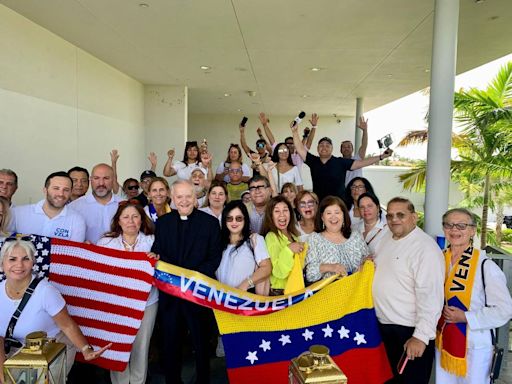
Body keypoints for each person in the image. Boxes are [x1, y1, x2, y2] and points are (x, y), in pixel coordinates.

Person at [0, 239, 111, 382]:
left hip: (50, 349)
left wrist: (86, 350)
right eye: (12, 259)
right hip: (15, 351)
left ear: (33, 263)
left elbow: (67, 325)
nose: (19, 264)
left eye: (26, 258)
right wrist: (3, 372)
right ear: (2, 264)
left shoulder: (46, 292)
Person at [151, 180, 222, 383]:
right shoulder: (163, 223)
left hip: (198, 293)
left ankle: (203, 380)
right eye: (179, 197)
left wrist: (192, 280)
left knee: (201, 343)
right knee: (171, 342)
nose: (184, 201)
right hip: (171, 295)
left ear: (195, 198)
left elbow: (214, 256)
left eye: (188, 196)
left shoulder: (209, 223)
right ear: (172, 199)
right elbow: (159, 252)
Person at [435, 208, 512, 384]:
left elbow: (505, 310)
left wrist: (466, 317)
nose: (454, 230)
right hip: (444, 342)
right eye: (449, 225)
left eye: (461, 226)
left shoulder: (485, 266)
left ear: (472, 230)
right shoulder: (438, 259)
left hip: (474, 346)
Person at [373, 197, 445, 384]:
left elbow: (430, 297)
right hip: (383, 328)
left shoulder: (425, 249)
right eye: (389, 215)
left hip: (409, 332)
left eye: (400, 215)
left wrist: (420, 337)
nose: (394, 219)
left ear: (414, 217)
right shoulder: (385, 238)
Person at [97, 201, 158, 384]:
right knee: (117, 346)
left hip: (146, 302)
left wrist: (157, 258)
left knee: (141, 345)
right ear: (118, 221)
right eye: (126, 217)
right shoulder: (105, 242)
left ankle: (138, 381)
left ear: (142, 219)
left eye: (135, 216)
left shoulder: (152, 241)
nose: (131, 221)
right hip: (116, 304)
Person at [290, 118, 392, 202]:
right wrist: (295, 132)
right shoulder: (313, 161)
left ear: (332, 149)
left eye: (327, 145)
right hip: (320, 204)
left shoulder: (340, 162)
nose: (324, 147)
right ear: (317, 149)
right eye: (321, 145)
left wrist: (381, 157)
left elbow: (361, 163)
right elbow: (300, 148)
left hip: (339, 205)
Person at [305, 196, 369, 284]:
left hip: (358, 291)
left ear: (343, 215)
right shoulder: (314, 239)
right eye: (328, 213)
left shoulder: (355, 235)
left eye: (337, 212)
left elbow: (367, 260)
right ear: (322, 217)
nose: (333, 217)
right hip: (331, 294)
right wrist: (330, 267)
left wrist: (364, 264)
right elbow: (310, 275)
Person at [13, 172, 86, 242]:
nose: (61, 194)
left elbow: (73, 252)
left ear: (70, 193)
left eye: (66, 190)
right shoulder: (18, 213)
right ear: (45, 190)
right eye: (56, 188)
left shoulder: (77, 220)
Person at [217, 200, 271, 293]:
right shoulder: (218, 242)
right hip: (220, 301)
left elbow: (266, 268)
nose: (234, 222)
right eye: (229, 218)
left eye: (239, 218)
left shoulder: (254, 239)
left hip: (244, 300)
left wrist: (245, 284)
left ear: (245, 219)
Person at [69, 163, 122, 243]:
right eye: (96, 178)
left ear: (113, 180)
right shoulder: (74, 207)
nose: (101, 183)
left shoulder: (125, 205)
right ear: (90, 180)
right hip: (86, 254)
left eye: (106, 178)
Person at [262, 196, 303, 296]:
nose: (282, 215)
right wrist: (289, 250)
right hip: (280, 293)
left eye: (285, 210)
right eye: (277, 211)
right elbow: (278, 272)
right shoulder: (271, 236)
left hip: (296, 289)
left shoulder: (295, 237)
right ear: (271, 216)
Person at [342, 116, 369, 185]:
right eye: (344, 147)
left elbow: (364, 145)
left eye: (348, 147)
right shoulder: (337, 161)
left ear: (352, 149)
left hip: (357, 190)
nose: (346, 148)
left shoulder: (357, 159)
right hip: (344, 193)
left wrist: (365, 130)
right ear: (341, 150)